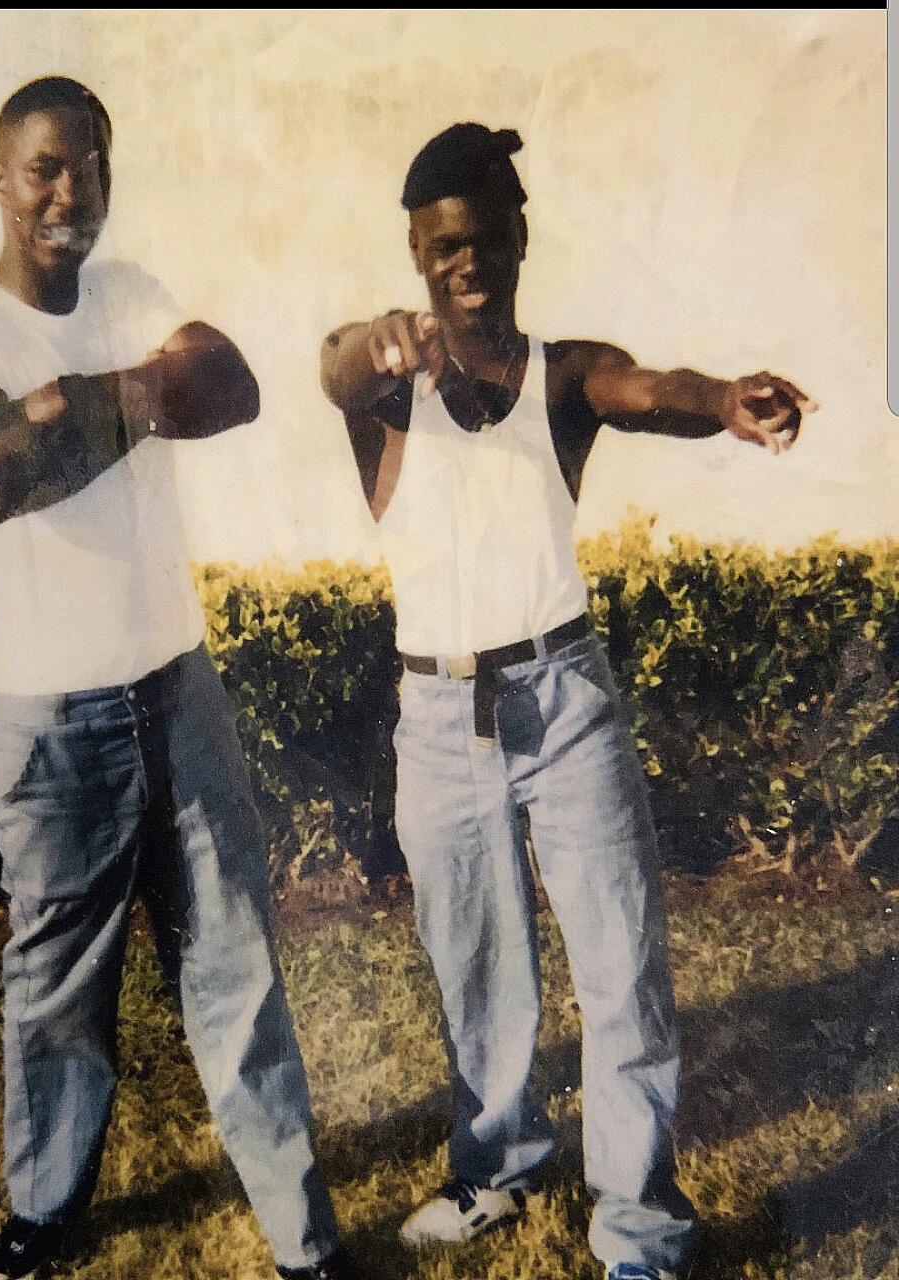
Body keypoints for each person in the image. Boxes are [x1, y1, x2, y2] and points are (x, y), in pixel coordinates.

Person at [318, 123, 814, 1280]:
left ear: (519, 241)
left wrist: (729, 401)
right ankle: (495, 1167)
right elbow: (335, 360)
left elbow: (654, 389)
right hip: (439, 715)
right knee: (475, 964)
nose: (466, 264)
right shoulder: (384, 393)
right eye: (443, 248)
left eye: (486, 240)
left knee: (619, 956)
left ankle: (637, 1226)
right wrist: (375, 343)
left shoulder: (560, 372)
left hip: (565, 694)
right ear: (417, 251)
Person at [0, 76, 360, 1280]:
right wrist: (134, 406)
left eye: (93, 167)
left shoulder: (131, 292)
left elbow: (232, 386)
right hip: (53, 714)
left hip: (178, 688)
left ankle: (302, 1240)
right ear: (0, 177)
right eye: (48, 167)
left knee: (238, 971)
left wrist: (65, 410)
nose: (72, 193)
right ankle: (45, 1215)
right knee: (55, 987)